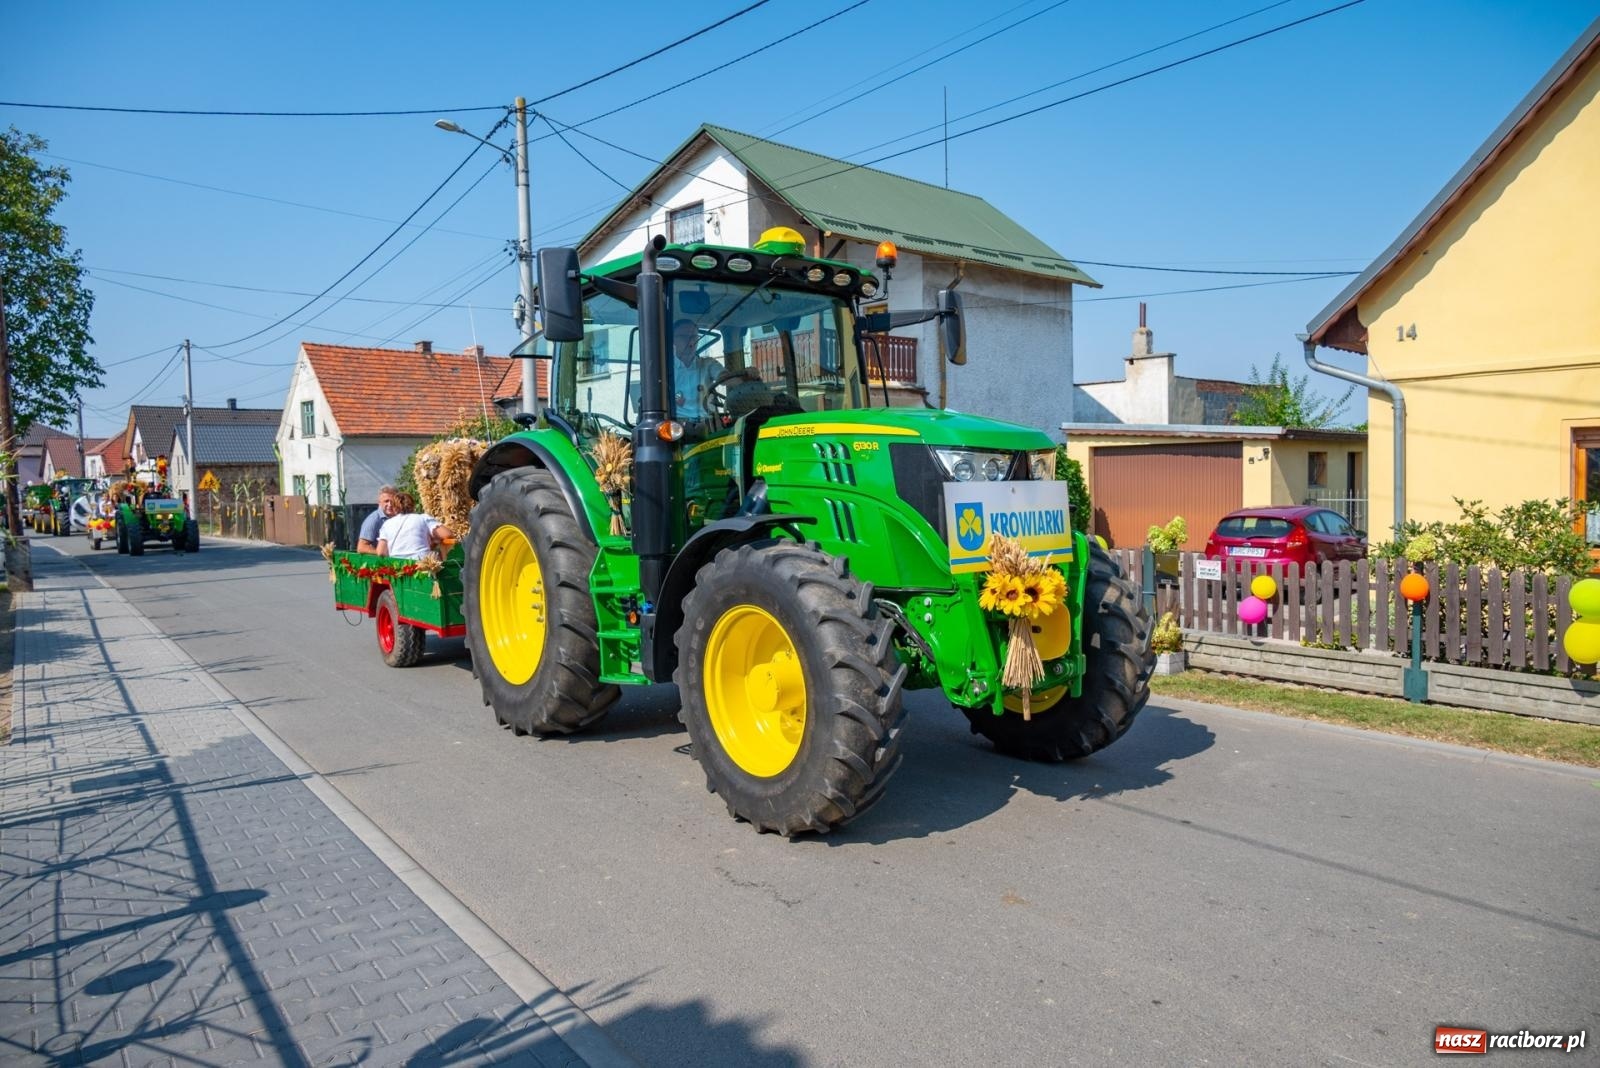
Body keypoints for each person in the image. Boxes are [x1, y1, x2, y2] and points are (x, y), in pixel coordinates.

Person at [671, 318, 724, 419]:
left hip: (708, 427)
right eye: (684, 337)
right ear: (672, 340)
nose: (691, 342)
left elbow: (725, 378)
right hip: (675, 427)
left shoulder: (708, 364)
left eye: (694, 337)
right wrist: (677, 398)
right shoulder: (665, 368)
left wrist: (746, 375)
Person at [375, 493, 454, 560]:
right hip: (423, 564)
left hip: (398, 567)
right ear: (413, 506)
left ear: (395, 507)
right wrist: (434, 542)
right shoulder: (423, 518)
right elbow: (447, 534)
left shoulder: (387, 524)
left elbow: (381, 552)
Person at [356, 485, 400, 553]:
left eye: (393, 501)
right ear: (379, 502)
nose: (390, 504)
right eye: (386, 501)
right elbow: (361, 547)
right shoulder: (373, 520)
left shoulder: (399, 517)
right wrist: (381, 553)